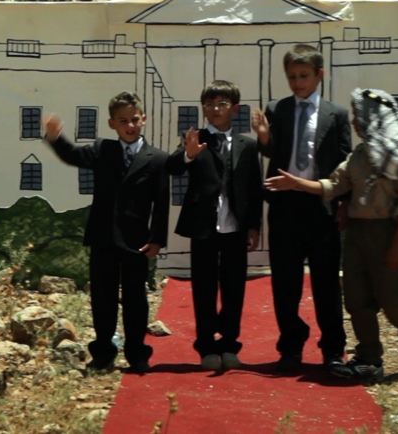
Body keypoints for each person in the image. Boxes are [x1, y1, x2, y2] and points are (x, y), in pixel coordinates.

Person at [265, 88, 398, 383]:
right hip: (358, 234)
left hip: (387, 232)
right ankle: (370, 359)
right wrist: (297, 183)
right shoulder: (358, 157)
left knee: (393, 300)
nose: (355, 122)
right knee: (357, 300)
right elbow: (333, 186)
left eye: (359, 116)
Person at [43, 91, 170, 375]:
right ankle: (103, 352)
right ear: (112, 124)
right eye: (123, 121)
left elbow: (161, 203)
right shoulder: (103, 150)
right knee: (103, 297)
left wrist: (157, 239)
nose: (130, 125)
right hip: (103, 237)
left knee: (136, 298)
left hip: (137, 241)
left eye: (134, 119)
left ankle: (137, 353)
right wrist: (55, 137)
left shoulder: (158, 159)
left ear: (143, 119)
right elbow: (73, 155)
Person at [250, 44, 351, 376]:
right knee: (285, 282)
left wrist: (344, 204)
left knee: (326, 282)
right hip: (284, 205)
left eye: (304, 76)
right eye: (292, 77)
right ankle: (291, 346)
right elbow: (270, 152)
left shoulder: (336, 114)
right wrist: (263, 137)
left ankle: (333, 350)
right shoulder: (277, 109)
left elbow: (345, 162)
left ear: (319, 75)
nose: (297, 83)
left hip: (321, 205)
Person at [166, 81, 263, 371]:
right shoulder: (196, 138)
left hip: (235, 227)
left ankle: (230, 345)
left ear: (234, 108)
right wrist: (188, 154)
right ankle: (206, 346)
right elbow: (173, 166)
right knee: (204, 288)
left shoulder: (248, 145)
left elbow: (254, 188)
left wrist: (254, 225)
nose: (215, 109)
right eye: (209, 104)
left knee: (234, 289)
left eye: (222, 104)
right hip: (204, 226)